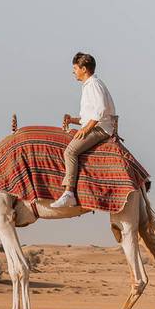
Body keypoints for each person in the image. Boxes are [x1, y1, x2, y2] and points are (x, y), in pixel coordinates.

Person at [50, 52, 117, 208]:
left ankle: (69, 193)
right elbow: (89, 115)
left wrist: (86, 129)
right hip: (97, 125)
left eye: (75, 68)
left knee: (70, 152)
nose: (73, 72)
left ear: (84, 69)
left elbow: (100, 109)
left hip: (101, 129)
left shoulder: (93, 84)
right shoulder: (89, 85)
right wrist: (72, 120)